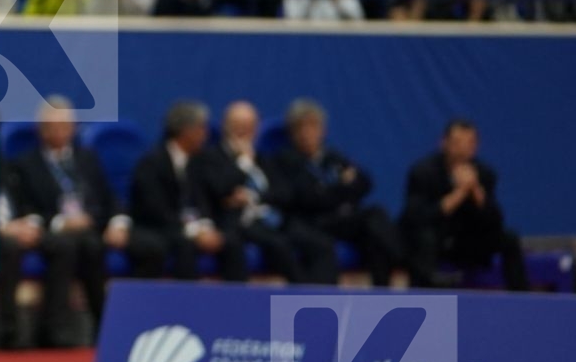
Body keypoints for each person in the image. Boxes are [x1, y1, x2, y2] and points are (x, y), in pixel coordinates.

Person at [0, 99, 116, 348]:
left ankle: (105, 328)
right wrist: (60, 222)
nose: (63, 131)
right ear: (42, 130)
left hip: (88, 229)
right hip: (52, 229)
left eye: (67, 126)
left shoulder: (87, 158)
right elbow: (25, 207)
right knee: (65, 246)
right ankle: (54, 330)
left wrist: (114, 222)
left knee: (93, 246)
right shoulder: (26, 164)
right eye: (55, 126)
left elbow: (107, 199)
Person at [197, 101, 338, 284]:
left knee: (321, 244)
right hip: (240, 222)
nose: (243, 132)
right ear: (226, 127)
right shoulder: (211, 158)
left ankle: (326, 298)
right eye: (237, 126)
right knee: (279, 245)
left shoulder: (264, 159)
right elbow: (218, 189)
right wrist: (243, 164)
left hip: (274, 218)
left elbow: (284, 193)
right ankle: (304, 296)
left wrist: (253, 196)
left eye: (248, 127)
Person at [267, 99, 401, 287]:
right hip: (310, 222)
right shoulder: (285, 160)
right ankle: (326, 305)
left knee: (374, 219)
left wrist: (329, 192)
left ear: (323, 130)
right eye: (301, 128)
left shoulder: (332, 156)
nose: (307, 133)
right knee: (323, 245)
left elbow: (364, 183)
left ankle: (383, 292)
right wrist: (342, 189)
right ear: (292, 132)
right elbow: (304, 198)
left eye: (313, 126)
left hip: (338, 219)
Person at [126, 101, 248, 281]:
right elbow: (155, 210)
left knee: (231, 243)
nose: (205, 134)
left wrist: (205, 226)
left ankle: (237, 303)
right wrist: (193, 231)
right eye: (201, 128)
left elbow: (209, 195)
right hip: (161, 228)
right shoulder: (152, 163)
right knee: (185, 246)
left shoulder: (199, 160)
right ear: (185, 130)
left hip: (194, 226)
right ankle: (187, 305)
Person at [401, 119, 528, 290]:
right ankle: (424, 299)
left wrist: (475, 189)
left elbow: (495, 220)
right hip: (436, 241)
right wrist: (459, 193)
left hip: (467, 242)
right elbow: (418, 218)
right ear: (443, 143)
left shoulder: (484, 173)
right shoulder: (423, 172)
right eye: (457, 143)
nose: (463, 149)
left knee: (509, 238)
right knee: (424, 238)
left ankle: (521, 298)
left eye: (469, 143)